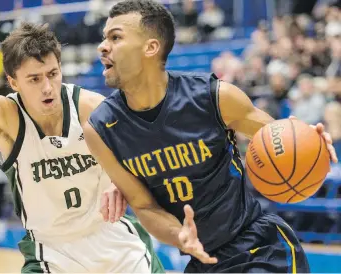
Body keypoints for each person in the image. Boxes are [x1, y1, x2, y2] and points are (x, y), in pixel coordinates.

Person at [84, 0, 339, 273]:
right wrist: (179, 236)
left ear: (151, 47)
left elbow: (278, 136)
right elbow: (144, 205)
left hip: (258, 247)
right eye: (104, 38)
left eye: (116, 37)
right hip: (202, 260)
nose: (103, 46)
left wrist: (309, 140)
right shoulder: (101, 129)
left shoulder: (213, 97)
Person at [0, 0, 165, 272]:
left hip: (113, 240)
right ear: (13, 82)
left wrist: (123, 179)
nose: (47, 87)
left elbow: (145, 149)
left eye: (52, 74)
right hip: (52, 252)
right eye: (34, 79)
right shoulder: (9, 118)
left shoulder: (89, 107)